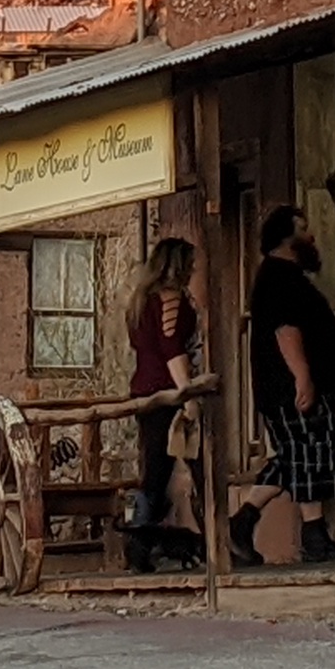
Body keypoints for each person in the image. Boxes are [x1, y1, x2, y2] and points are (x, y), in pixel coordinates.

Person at [235, 205, 335, 564]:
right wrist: (302, 375)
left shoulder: (281, 277)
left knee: (291, 458)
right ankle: (314, 536)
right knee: (309, 452)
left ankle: (241, 522)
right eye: (303, 228)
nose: (311, 235)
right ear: (287, 237)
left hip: (284, 386)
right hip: (288, 387)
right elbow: (287, 332)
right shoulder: (280, 279)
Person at [122, 238, 202, 571]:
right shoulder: (170, 298)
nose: (194, 270)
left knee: (155, 467)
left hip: (143, 389)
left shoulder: (140, 301)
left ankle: (143, 541)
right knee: (186, 466)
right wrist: (189, 395)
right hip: (166, 390)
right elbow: (171, 347)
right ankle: (140, 543)